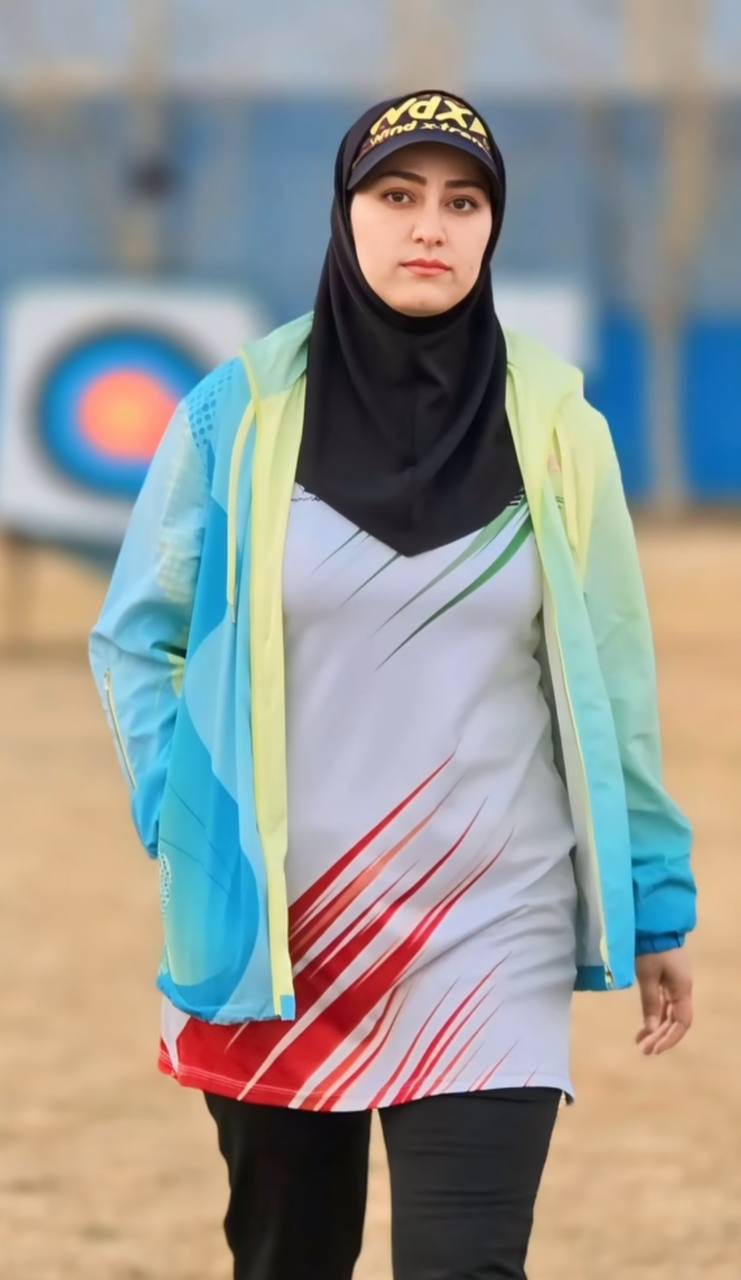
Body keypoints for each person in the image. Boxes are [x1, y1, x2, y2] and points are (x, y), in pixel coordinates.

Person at [89, 89, 697, 1280]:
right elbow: (135, 638)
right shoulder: (235, 414)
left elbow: (615, 680)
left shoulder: (559, 425)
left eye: (464, 202)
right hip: (277, 934)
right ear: (346, 212)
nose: (430, 225)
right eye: (397, 194)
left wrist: (655, 897)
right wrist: (186, 812)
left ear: (493, 227)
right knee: (290, 1260)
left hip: (494, 923)